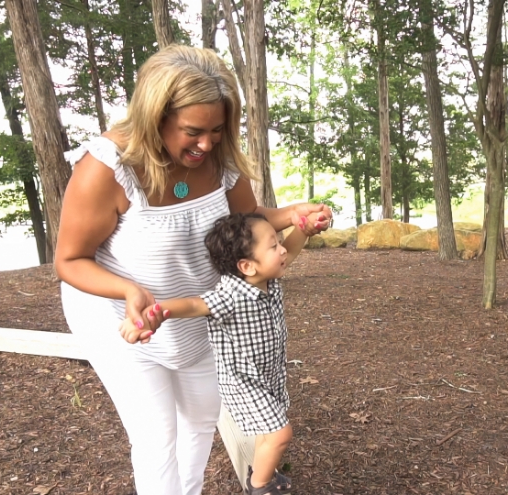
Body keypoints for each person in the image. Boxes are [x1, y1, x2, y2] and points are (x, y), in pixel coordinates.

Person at [54, 44, 331, 495]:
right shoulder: (107, 168)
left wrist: (295, 215)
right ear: (154, 116)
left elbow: (249, 220)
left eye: (217, 130)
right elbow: (69, 260)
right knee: (156, 435)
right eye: (192, 131)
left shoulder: (218, 160)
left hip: (202, 314)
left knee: (201, 418)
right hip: (123, 320)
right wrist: (127, 292)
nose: (206, 143)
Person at [121, 212, 308, 495]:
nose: (282, 249)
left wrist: (304, 230)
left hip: (269, 374)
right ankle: (259, 487)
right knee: (280, 434)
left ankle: (258, 471)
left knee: (266, 434)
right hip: (243, 382)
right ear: (246, 265)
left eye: (279, 243)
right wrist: (157, 312)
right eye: (273, 246)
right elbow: (195, 305)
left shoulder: (268, 279)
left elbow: (290, 252)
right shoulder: (230, 295)